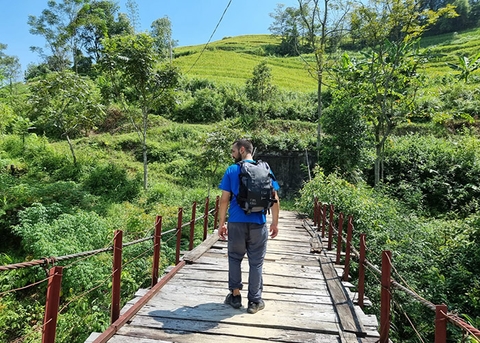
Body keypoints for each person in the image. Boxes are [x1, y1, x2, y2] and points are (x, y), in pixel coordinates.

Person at [218, 139, 280, 314]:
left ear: (242, 149)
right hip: (258, 223)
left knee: (235, 258)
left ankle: (235, 296)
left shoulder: (232, 170)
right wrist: (275, 223)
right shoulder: (265, 169)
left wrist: (222, 224)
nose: (232, 154)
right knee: (256, 263)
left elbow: (224, 200)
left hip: (237, 222)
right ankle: (254, 301)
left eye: (233, 151)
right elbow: (274, 198)